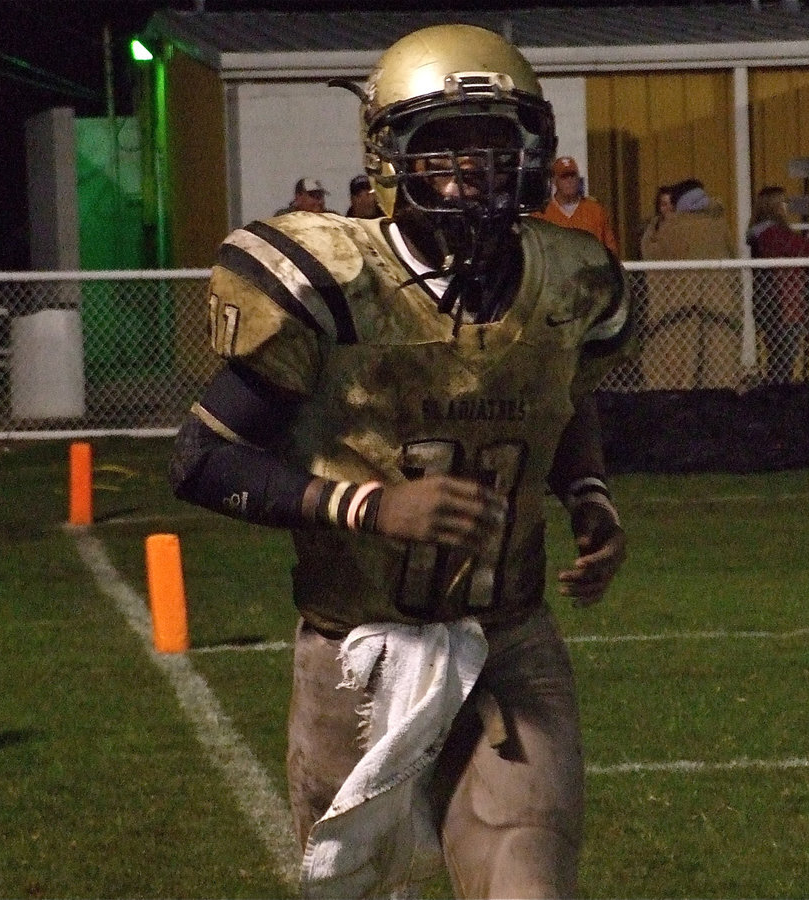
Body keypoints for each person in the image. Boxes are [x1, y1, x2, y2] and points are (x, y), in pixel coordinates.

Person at [169, 23, 635, 899]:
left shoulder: (571, 278)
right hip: (355, 646)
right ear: (390, 155)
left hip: (507, 638)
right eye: (443, 145)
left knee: (528, 885)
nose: (473, 170)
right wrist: (372, 507)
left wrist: (589, 496)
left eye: (493, 145)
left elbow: (565, 395)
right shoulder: (332, 282)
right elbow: (200, 458)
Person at [639, 177, 737, 388]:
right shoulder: (720, 226)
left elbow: (652, 254)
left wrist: (654, 227)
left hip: (681, 309)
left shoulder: (675, 228)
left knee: (682, 366)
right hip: (720, 307)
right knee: (717, 363)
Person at [746, 185, 809, 383]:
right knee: (784, 356)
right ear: (776, 206)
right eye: (784, 202)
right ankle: (780, 392)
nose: (787, 206)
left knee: (779, 354)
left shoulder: (761, 234)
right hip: (783, 301)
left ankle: (778, 389)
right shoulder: (772, 234)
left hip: (770, 299)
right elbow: (804, 250)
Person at [531, 156, 619, 256]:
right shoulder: (541, 214)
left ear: (578, 178)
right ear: (554, 181)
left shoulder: (595, 211)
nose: (569, 181)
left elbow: (611, 251)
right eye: (564, 177)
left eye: (572, 176)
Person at [638, 185, 674, 259]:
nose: (669, 208)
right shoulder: (651, 227)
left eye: (672, 203)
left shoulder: (685, 225)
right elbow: (646, 252)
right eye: (664, 204)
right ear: (659, 207)